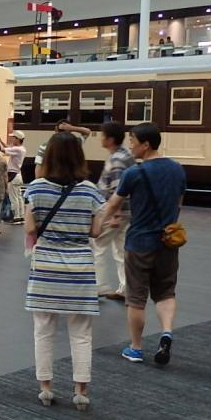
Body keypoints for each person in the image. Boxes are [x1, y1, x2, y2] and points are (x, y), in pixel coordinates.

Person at [24, 132, 105, 411]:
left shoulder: (35, 188)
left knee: (43, 330)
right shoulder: (90, 191)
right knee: (81, 333)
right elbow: (96, 231)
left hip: (46, 267)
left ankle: (46, 387)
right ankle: (81, 391)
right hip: (80, 268)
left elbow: (30, 228)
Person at [99, 122, 186, 366]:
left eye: (133, 141)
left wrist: (97, 225)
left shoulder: (134, 173)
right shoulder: (177, 169)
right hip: (168, 241)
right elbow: (179, 201)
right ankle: (166, 333)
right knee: (165, 292)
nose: (130, 146)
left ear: (145, 145)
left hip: (139, 242)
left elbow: (113, 204)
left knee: (136, 298)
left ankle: (136, 348)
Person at [94, 121, 134, 301]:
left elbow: (119, 189)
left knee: (97, 245)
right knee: (120, 250)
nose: (100, 139)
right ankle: (126, 288)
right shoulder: (125, 155)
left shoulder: (117, 160)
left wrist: (114, 215)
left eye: (102, 136)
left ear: (110, 139)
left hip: (114, 210)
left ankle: (99, 286)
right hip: (127, 211)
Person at [5, 130, 27, 223]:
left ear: (17, 139)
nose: (12, 139)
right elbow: (8, 148)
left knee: (13, 198)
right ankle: (21, 216)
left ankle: (16, 216)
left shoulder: (18, 149)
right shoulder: (21, 149)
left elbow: (4, 150)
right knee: (19, 197)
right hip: (18, 175)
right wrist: (0, 141)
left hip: (13, 175)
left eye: (13, 137)